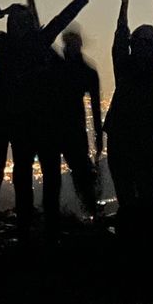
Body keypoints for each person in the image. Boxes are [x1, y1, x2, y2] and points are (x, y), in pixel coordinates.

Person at [0, 0, 99, 241]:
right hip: (10, 119)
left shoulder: (7, 44)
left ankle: (15, 229)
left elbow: (57, 22)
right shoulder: (22, 43)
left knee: (17, 175)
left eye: (20, 21)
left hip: (16, 119)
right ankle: (3, 229)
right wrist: (80, 0)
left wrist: (81, 0)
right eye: (14, 21)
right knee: (2, 175)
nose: (16, 25)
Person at [105, 0, 153, 236]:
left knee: (143, 194)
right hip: (128, 139)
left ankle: (146, 240)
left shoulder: (152, 75)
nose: (138, 45)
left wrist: (144, 126)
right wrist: (124, 7)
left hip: (136, 141)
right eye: (137, 41)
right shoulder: (131, 68)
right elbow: (119, 39)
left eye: (143, 42)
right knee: (128, 193)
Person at [54, 29, 102, 215]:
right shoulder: (85, 71)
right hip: (68, 127)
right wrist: (98, 136)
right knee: (80, 172)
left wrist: (98, 135)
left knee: (80, 173)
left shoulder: (62, 67)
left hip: (69, 127)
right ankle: (89, 211)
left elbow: (96, 107)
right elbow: (95, 107)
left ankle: (89, 211)